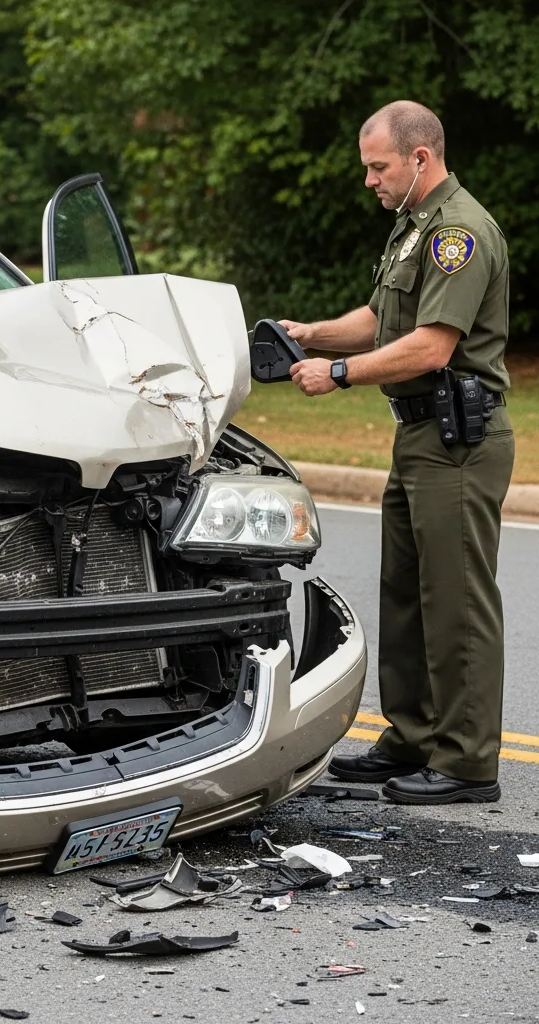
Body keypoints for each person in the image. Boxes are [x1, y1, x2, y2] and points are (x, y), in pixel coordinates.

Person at [280, 100, 514, 804]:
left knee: (456, 602)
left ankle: (467, 762)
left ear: (420, 158)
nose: (369, 180)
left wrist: (339, 374)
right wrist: (312, 333)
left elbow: (433, 345)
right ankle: (411, 738)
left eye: (378, 167)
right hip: (419, 435)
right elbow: (381, 319)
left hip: (459, 443)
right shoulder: (414, 230)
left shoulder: (459, 234)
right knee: (408, 597)